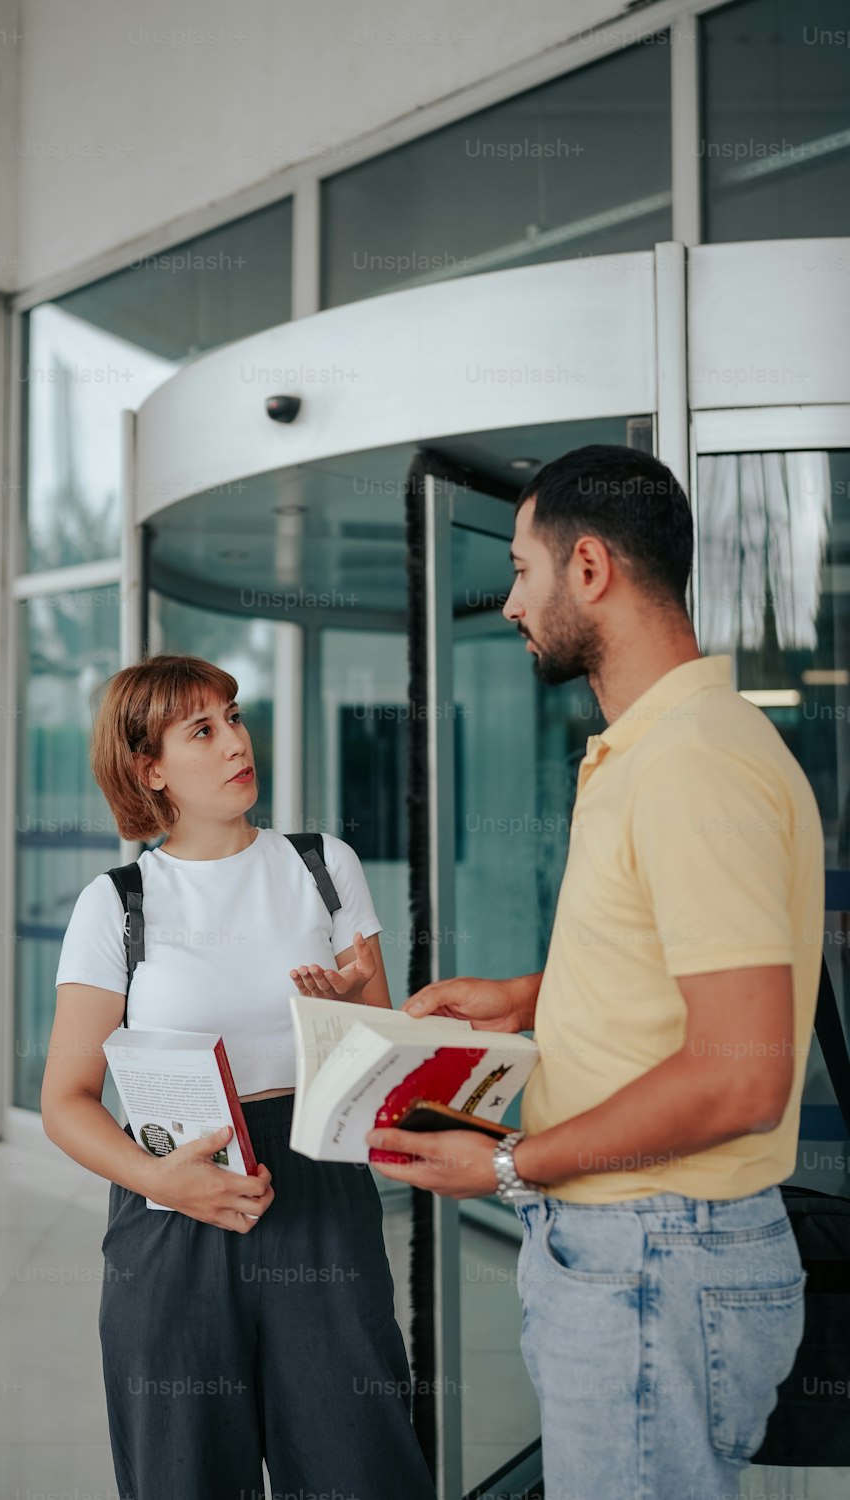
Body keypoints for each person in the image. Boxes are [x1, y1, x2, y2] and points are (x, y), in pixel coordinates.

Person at [366, 445, 825, 1500]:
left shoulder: (689, 764)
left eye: (521, 572)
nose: (509, 604)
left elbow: (740, 1075)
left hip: (656, 1256)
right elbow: (690, 971)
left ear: (587, 568)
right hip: (643, 1254)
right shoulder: (665, 747)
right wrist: (532, 997)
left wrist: (512, 1165)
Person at [41, 654, 435, 1500]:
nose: (234, 743)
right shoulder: (118, 904)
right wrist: (161, 1182)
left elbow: (384, 1062)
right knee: (185, 1473)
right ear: (151, 771)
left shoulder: (324, 866)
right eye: (202, 730)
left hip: (321, 1194)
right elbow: (64, 1103)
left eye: (234, 716)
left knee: (359, 1468)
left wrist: (343, 1012)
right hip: (174, 1208)